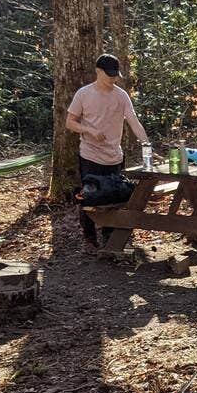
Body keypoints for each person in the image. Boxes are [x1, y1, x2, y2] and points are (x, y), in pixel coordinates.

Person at [66, 54, 150, 248]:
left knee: (114, 197)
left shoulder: (121, 95)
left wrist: (146, 144)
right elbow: (70, 122)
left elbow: (134, 122)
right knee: (89, 196)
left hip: (114, 156)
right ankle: (89, 239)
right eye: (109, 74)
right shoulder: (84, 94)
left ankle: (110, 237)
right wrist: (89, 130)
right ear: (98, 72)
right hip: (90, 155)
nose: (113, 78)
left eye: (115, 75)